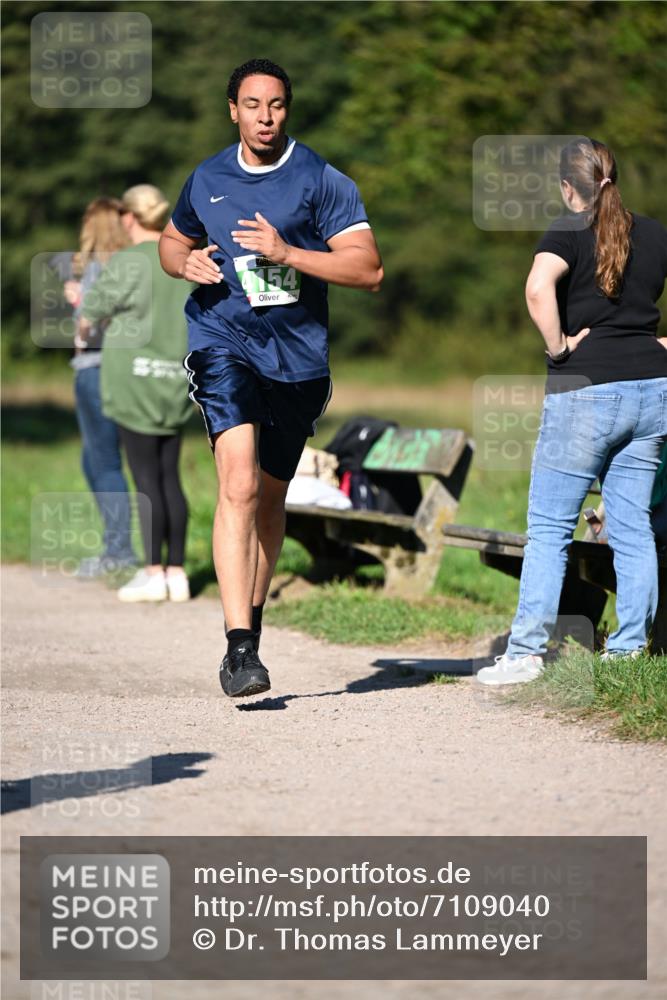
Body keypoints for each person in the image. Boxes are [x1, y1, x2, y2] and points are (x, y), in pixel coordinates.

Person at [159, 58, 383, 697]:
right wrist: (186, 264)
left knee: (269, 496)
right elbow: (171, 243)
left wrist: (288, 254)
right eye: (253, 104)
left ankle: (249, 629)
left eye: (276, 105)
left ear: (288, 109)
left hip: (298, 360)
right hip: (223, 340)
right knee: (238, 483)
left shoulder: (319, 178)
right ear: (233, 108)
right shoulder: (207, 176)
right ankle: (236, 649)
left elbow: (367, 270)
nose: (265, 116)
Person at [477, 137, 667, 685]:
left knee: (549, 527)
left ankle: (525, 655)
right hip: (653, 392)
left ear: (567, 186)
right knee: (634, 529)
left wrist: (558, 346)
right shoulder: (653, 233)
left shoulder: (566, 230)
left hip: (585, 394)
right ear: (615, 178)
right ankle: (630, 650)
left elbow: (538, 289)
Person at [79, 185, 194, 602]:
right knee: (170, 478)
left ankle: (152, 572)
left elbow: (89, 318)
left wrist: (85, 327)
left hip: (134, 384)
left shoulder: (128, 261)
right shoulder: (181, 257)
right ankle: (177, 573)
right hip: (177, 381)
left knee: (145, 478)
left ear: (129, 218)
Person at [66, 198, 137, 577]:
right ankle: (120, 546)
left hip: (95, 368)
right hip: (126, 369)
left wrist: (78, 303)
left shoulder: (97, 268)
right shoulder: (134, 267)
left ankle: (119, 551)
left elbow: (89, 327)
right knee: (96, 460)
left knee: (105, 462)